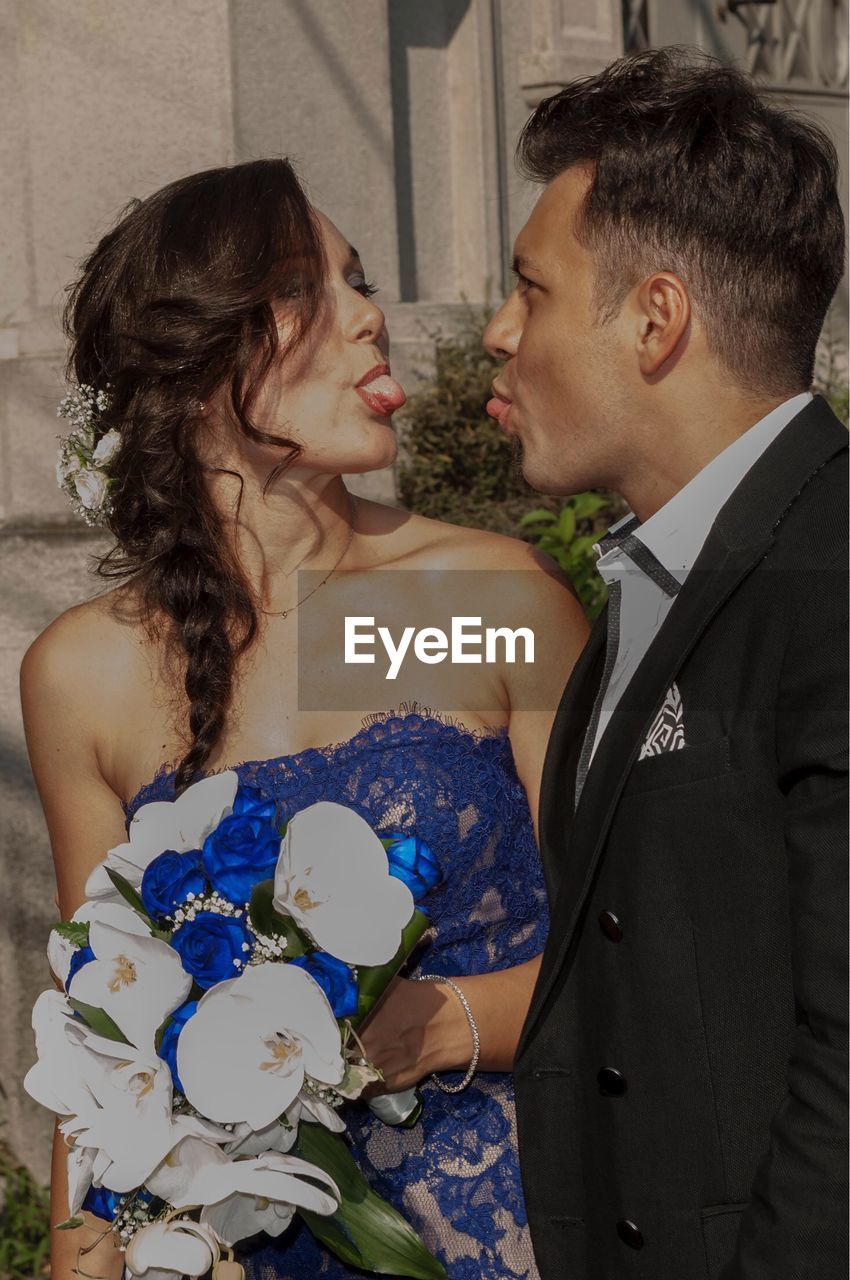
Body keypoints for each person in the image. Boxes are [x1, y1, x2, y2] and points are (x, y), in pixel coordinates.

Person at [19, 158, 588, 1279]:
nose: (369, 316)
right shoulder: (84, 671)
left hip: (514, 1231)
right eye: (301, 289)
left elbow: (649, 955)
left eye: (357, 278)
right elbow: (97, 1046)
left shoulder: (479, 598)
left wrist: (445, 1019)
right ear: (190, 361)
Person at [483, 47, 848, 1280]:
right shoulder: (651, 571)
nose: (497, 331)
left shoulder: (830, 572)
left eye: (529, 289)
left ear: (654, 318)